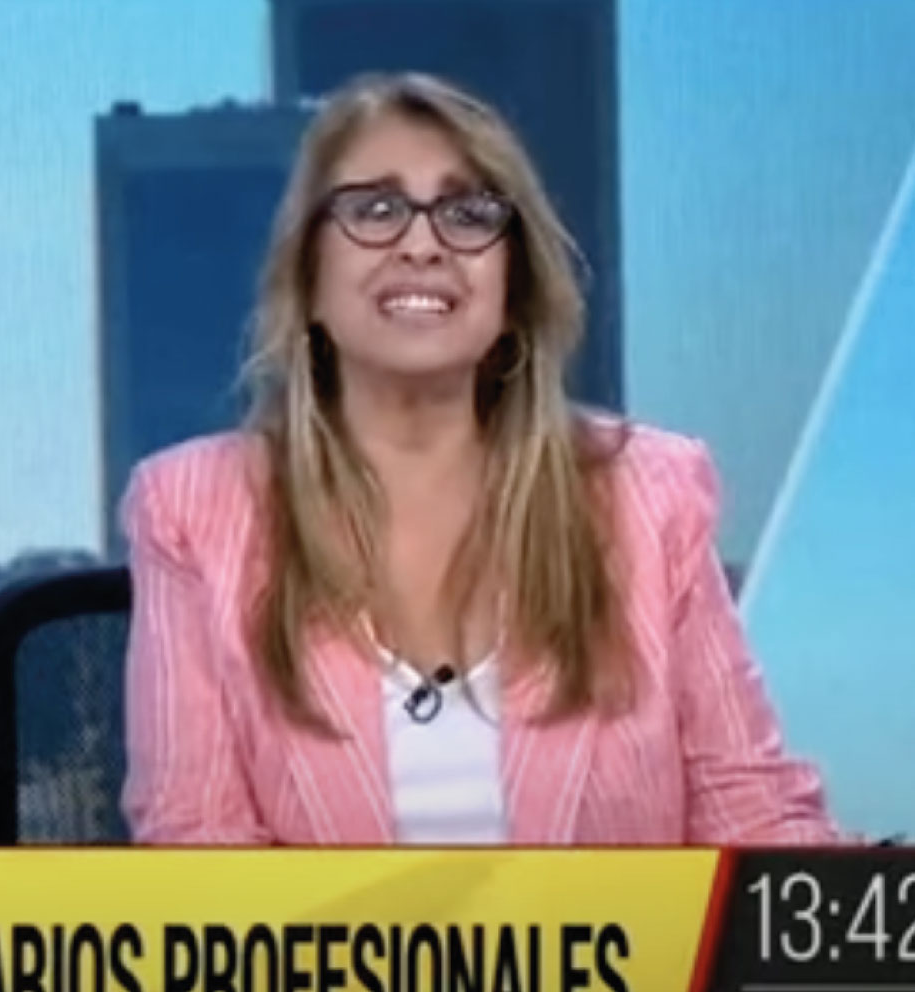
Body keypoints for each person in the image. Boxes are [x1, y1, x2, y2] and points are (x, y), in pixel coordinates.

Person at [120, 72, 840, 846]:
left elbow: (752, 816)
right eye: (375, 210)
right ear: (310, 278)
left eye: (468, 214)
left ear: (512, 288)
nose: (422, 244)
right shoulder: (191, 508)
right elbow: (199, 848)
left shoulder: (649, 494)